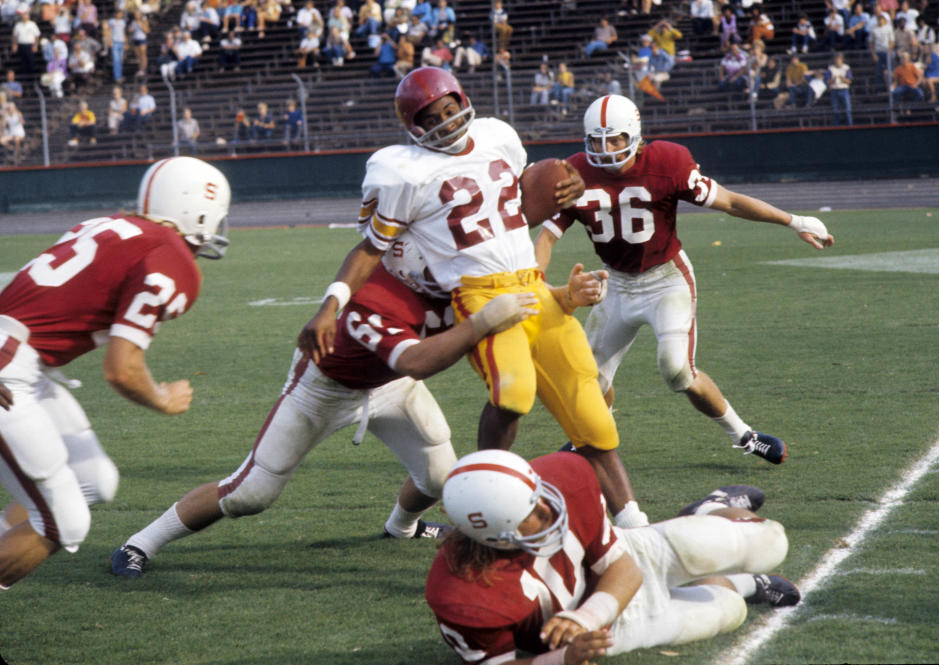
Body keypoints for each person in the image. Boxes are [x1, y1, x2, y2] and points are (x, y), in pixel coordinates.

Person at [301, 67, 646, 530]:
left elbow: (515, 204)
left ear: (464, 100)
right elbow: (369, 249)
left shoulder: (497, 136)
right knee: (513, 393)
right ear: (413, 127)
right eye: (433, 116)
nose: (447, 120)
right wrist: (331, 304)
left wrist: (571, 188)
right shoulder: (401, 172)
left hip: (532, 285)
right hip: (480, 294)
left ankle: (632, 521)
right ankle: (482, 490)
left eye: (450, 108)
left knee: (591, 409)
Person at [109, 236, 548, 576]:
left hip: (391, 381)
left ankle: (401, 527)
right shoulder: (374, 297)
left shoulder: (455, 282)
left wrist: (564, 292)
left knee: (437, 477)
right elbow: (418, 360)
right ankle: (139, 544)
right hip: (325, 387)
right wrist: (482, 322)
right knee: (251, 492)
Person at [534, 94, 835, 466]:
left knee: (676, 369)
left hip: (666, 280)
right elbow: (545, 236)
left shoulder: (667, 162)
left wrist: (793, 221)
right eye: (596, 140)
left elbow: (729, 201)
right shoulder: (576, 173)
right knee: (587, 380)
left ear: (635, 136)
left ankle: (744, 435)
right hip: (616, 285)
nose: (605, 149)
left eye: (614, 140)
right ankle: (598, 431)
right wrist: (535, 282)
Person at [0, 157, 231, 590]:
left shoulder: (107, 224)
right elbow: (121, 369)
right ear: (198, 212)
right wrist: (163, 397)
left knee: (93, 480)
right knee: (63, 523)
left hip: (20, 358)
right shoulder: (172, 256)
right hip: (10, 367)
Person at [427, 449, 800, 664]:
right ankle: (744, 585)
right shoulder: (465, 593)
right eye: (533, 514)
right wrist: (564, 658)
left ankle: (706, 511)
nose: (549, 509)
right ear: (495, 535)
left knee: (771, 542)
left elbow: (624, 567)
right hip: (613, 630)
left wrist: (584, 616)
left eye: (538, 494)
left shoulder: (562, 478)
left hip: (628, 560)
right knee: (728, 610)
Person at [11, 9, 41, 78]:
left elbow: (37, 36)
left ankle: (32, 77)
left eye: (26, 15)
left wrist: (35, 45)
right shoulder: (18, 25)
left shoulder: (32, 24)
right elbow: (15, 36)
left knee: (31, 62)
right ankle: (24, 77)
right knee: (23, 62)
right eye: (24, 15)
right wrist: (14, 45)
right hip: (21, 45)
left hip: (30, 45)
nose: (25, 17)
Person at [826, 52, 853, 125]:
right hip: (834, 91)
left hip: (844, 90)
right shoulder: (830, 68)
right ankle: (836, 127)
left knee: (847, 110)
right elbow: (827, 82)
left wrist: (842, 79)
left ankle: (850, 126)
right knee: (835, 111)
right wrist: (833, 80)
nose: (837, 61)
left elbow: (849, 81)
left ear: (841, 60)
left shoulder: (846, 67)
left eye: (839, 59)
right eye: (836, 59)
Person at [104, 9, 127, 83]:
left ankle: (120, 75)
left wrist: (125, 42)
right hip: (115, 42)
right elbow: (108, 31)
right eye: (119, 13)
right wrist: (109, 40)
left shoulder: (123, 22)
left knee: (120, 60)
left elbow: (123, 32)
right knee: (116, 60)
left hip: (121, 42)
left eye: (121, 14)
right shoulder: (112, 21)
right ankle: (117, 77)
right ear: (116, 14)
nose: (120, 15)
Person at [1, 101, 25, 165]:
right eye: (9, 107)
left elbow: (23, 123)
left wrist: (21, 120)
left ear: (14, 108)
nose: (10, 109)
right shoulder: (6, 116)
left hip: (19, 132)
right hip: (12, 133)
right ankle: (13, 149)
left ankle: (17, 157)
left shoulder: (18, 114)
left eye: (12, 107)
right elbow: (3, 125)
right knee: (2, 140)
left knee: (16, 140)